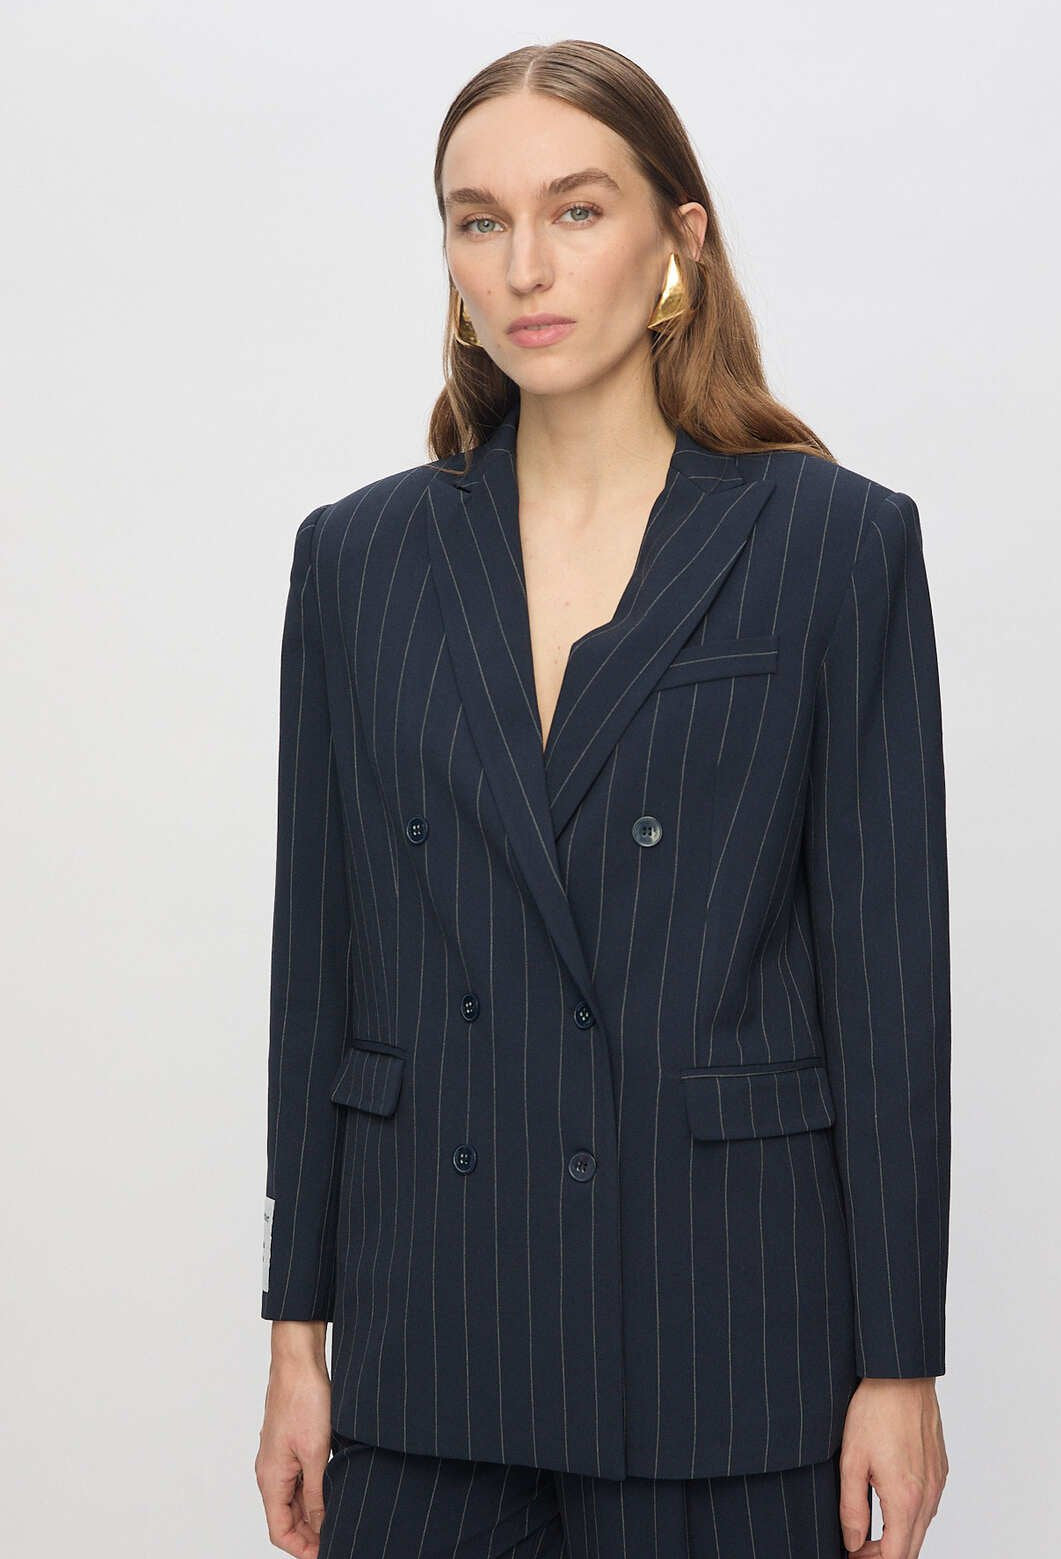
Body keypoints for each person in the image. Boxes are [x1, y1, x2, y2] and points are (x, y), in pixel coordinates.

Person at [254, 38, 951, 1559]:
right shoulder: (358, 560)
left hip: (726, 1335)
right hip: (431, 1333)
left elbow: (889, 983)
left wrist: (901, 1365)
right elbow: (320, 967)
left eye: (576, 210)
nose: (525, 266)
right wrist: (297, 1336)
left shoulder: (831, 545)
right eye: (479, 220)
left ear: (677, 238)